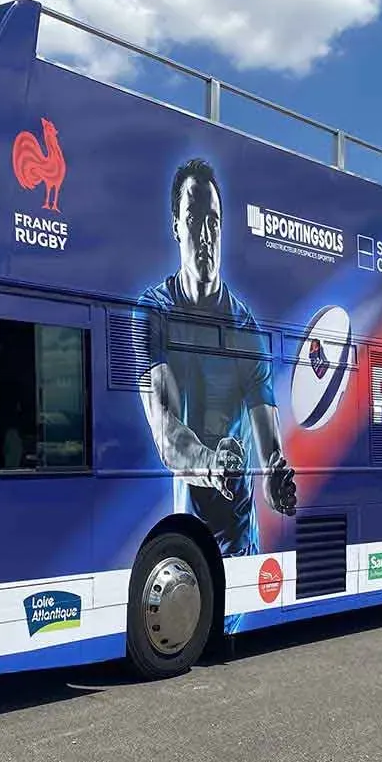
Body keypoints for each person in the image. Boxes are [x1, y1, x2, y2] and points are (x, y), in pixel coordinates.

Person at [133, 157, 296, 564]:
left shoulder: (246, 328)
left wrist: (275, 477)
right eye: (193, 219)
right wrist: (210, 464)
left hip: (241, 546)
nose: (205, 234)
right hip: (186, 534)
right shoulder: (153, 312)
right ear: (176, 227)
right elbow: (165, 431)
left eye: (214, 222)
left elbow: (269, 444)